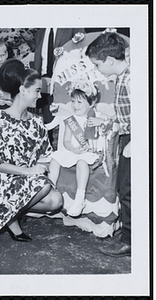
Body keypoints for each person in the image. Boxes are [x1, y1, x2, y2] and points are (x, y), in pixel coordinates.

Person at [0, 59, 63, 242]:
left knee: (56, 201)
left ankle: (4, 212)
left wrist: (38, 168)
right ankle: (11, 220)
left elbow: (46, 155)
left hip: (23, 180)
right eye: (37, 91)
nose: (40, 96)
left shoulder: (37, 121)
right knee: (44, 186)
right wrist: (28, 171)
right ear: (23, 90)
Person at [85, 32, 131, 257]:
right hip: (127, 137)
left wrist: (138, 140)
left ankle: (130, 240)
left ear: (110, 61)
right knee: (125, 189)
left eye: (97, 65)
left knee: (128, 191)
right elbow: (125, 115)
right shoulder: (122, 77)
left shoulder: (131, 79)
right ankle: (127, 233)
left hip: (135, 139)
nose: (97, 70)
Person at [48, 84, 107, 217]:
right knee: (55, 158)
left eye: (79, 102)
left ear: (91, 103)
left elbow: (110, 124)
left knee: (81, 162)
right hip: (74, 152)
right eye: (73, 101)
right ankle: (49, 190)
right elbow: (66, 141)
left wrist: (101, 121)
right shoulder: (71, 120)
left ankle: (80, 199)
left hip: (91, 153)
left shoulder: (97, 116)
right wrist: (73, 149)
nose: (75, 105)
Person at [32, 28, 86, 127]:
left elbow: (83, 49)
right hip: (44, 80)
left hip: (64, 81)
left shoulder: (71, 27)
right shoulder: (40, 31)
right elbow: (38, 57)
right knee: (48, 120)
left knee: (68, 121)